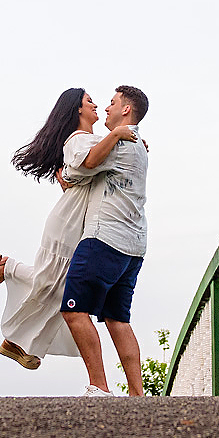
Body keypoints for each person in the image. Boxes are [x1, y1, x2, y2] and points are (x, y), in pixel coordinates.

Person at [0, 87, 138, 370]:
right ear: (77, 109)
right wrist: (117, 136)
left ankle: (21, 343)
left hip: (80, 221)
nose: (96, 105)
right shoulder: (77, 140)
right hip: (68, 220)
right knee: (52, 283)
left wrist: (133, 142)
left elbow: (103, 159)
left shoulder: (92, 139)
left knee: (59, 286)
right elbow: (85, 163)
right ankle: (7, 267)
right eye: (90, 101)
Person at [60, 85, 149, 397]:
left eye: (112, 103)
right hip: (134, 245)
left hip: (105, 238)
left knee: (73, 309)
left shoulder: (119, 145)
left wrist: (66, 177)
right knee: (117, 318)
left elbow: (82, 164)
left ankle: (99, 386)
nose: (106, 108)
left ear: (126, 110)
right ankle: (138, 396)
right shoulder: (136, 145)